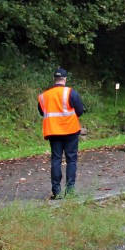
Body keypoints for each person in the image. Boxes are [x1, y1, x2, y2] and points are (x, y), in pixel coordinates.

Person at [38, 67, 85, 199]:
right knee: (71, 160)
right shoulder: (71, 93)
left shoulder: (44, 96)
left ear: (54, 79)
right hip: (70, 131)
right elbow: (80, 111)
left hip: (53, 132)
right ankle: (70, 191)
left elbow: (42, 112)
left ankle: (56, 191)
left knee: (56, 160)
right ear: (65, 79)